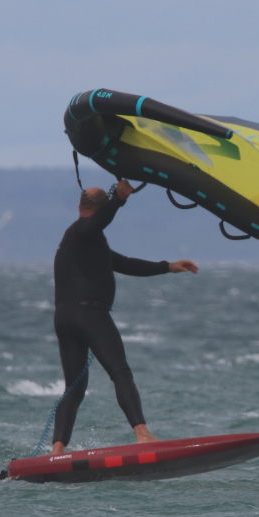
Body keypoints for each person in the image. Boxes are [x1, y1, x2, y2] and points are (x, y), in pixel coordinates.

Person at [50, 180, 197, 453]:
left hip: (64, 318)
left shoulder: (83, 240)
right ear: (100, 210)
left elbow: (125, 264)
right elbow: (95, 223)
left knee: (74, 388)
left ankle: (57, 450)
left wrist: (168, 266)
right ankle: (143, 435)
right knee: (120, 372)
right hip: (90, 314)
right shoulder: (83, 231)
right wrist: (119, 199)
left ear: (79, 206)